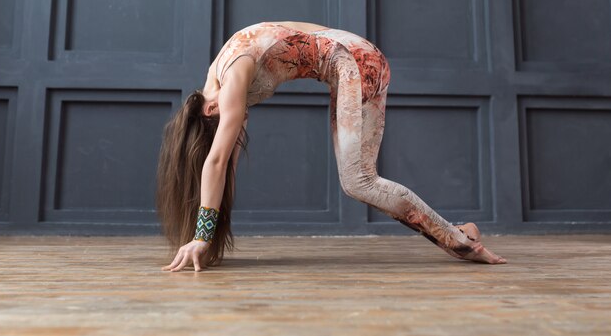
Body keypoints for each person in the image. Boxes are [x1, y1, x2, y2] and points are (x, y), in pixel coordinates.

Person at [157, 21, 507, 272]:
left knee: (358, 180)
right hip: (346, 62)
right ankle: (461, 232)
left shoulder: (231, 80)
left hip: (355, 60)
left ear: (210, 110)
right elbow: (225, 166)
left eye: (223, 129)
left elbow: (216, 162)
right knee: (358, 180)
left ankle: (460, 244)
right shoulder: (219, 75)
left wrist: (202, 237)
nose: (238, 127)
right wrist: (202, 235)